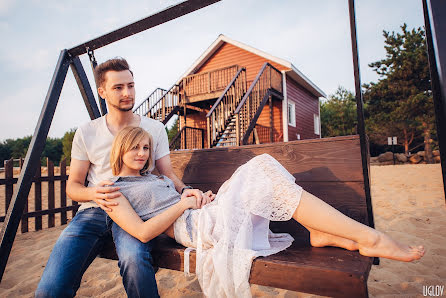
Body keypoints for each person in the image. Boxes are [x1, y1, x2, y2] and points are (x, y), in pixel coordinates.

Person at [103, 126, 425, 298]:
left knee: (263, 167)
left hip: (202, 214)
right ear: (121, 150)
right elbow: (144, 232)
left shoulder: (156, 178)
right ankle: (368, 236)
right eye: (135, 148)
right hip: (194, 231)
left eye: (146, 148)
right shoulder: (113, 190)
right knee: (261, 168)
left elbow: (182, 198)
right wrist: (183, 205)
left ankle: (322, 231)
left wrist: (195, 195)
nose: (142, 154)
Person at [35, 58, 212, 298]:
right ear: (102, 91)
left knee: (134, 260)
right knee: (50, 288)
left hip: (138, 211)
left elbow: (167, 173)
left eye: (130, 85)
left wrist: (186, 191)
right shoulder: (87, 131)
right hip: (94, 210)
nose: (127, 93)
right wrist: (93, 192)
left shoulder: (154, 128)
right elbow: (73, 186)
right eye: (118, 88)